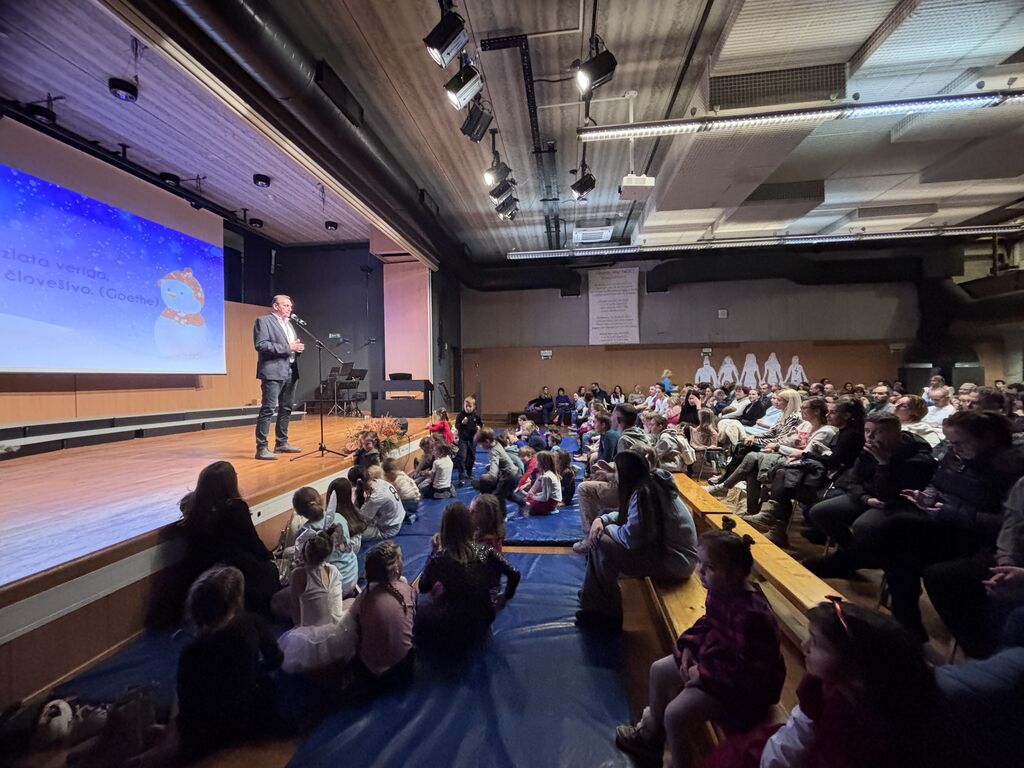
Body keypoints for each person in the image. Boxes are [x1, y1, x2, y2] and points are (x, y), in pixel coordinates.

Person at [823, 411, 1022, 641]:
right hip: (944, 520)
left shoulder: (1010, 469)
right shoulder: (956, 455)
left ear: (986, 438)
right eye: (950, 442)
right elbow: (936, 483)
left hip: (976, 536)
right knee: (897, 536)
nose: (953, 448)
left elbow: (1006, 522)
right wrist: (927, 496)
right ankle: (906, 622)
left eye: (959, 442)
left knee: (901, 537)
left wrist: (948, 511)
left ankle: (848, 565)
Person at [615, 521, 785, 768]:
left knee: (675, 715)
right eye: (700, 563)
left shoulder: (752, 616)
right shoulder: (721, 589)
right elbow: (708, 623)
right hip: (717, 661)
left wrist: (702, 673)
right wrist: (688, 648)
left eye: (710, 567)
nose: (700, 571)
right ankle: (651, 737)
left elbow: (747, 670)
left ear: (737, 573)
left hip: (745, 689)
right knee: (658, 670)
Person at [704, 599, 944, 768]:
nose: (804, 645)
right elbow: (797, 734)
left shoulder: (873, 728)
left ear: (855, 663)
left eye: (816, 643)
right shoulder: (823, 684)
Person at [576, 451, 698, 627]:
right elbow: (629, 518)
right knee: (601, 533)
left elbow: (630, 539)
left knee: (601, 540)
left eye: (616, 471)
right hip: (670, 554)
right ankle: (594, 598)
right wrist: (602, 519)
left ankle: (608, 612)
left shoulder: (644, 493)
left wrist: (607, 527)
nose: (614, 476)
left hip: (676, 563)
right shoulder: (648, 484)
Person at [176, 566, 286, 761]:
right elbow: (275, 660)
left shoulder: (191, 651)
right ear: (236, 601)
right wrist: (253, 670)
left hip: (207, 726)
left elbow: (187, 702)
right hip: (248, 716)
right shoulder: (252, 623)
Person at [743, 399, 865, 547]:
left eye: (833, 412)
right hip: (826, 473)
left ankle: (773, 523)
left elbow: (834, 461)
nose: (828, 415)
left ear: (846, 415)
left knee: (781, 477)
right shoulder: (843, 432)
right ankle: (770, 519)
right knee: (779, 474)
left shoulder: (850, 434)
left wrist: (806, 454)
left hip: (833, 481)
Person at [925, 475, 1024, 657]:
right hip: (1010, 559)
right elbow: (1011, 527)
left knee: (1013, 611)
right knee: (942, 577)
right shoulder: (1022, 485)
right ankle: (981, 654)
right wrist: (1005, 562)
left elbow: (993, 520)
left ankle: (995, 659)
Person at [804, 413, 935, 551]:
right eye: (867, 431)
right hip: (867, 495)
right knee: (818, 512)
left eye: (878, 432)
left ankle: (861, 555)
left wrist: (883, 463)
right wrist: (865, 498)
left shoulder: (917, 458)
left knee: (863, 525)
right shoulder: (871, 448)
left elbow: (888, 495)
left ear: (896, 433)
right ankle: (851, 552)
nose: (870, 436)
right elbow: (852, 480)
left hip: (895, 503)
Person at [417, 502, 521, 654]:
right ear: (469, 526)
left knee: (415, 612)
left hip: (452, 623)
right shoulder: (485, 550)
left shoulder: (440, 558)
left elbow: (423, 587)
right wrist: (505, 596)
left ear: (444, 529)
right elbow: (514, 573)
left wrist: (433, 553)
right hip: (484, 618)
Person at [179, 461, 280, 618]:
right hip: (235, 566)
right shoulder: (236, 508)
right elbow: (252, 542)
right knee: (273, 573)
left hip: (202, 568)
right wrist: (269, 557)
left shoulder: (192, 506)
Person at [277, 532, 357, 674]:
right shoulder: (334, 571)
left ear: (304, 554)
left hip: (310, 637)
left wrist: (298, 629)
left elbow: (295, 607)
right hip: (337, 631)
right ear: (327, 555)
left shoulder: (299, 574)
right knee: (351, 602)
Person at [347, 541, 416, 691]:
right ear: (396, 570)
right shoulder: (407, 591)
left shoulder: (365, 597)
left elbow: (352, 621)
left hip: (370, 674)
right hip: (402, 670)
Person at [253, 295, 303, 460]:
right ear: (275, 306)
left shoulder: (289, 324)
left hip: (290, 370)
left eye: (290, 306)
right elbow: (261, 345)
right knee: (268, 409)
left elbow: (291, 347)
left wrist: (297, 349)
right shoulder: (263, 321)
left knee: (286, 408)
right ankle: (262, 448)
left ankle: (282, 442)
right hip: (273, 371)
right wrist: (288, 347)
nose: (290, 308)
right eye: (286, 305)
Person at [349, 465, 404, 540]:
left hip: (388, 530)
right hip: (396, 520)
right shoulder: (380, 482)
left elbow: (363, 519)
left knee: (352, 533)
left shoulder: (375, 498)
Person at [473, 427, 521, 508]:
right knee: (508, 495)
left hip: (509, 476)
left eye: (481, 444)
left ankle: (502, 514)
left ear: (487, 441)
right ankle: (523, 504)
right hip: (514, 473)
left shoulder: (493, 452)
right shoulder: (496, 442)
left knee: (498, 496)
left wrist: (483, 481)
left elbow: (493, 474)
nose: (480, 446)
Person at [523, 450, 563, 516]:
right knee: (526, 501)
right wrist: (537, 495)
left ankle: (550, 509)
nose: (535, 463)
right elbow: (551, 492)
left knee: (525, 507)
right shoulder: (550, 473)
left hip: (550, 503)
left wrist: (533, 497)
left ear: (541, 463)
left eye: (536, 461)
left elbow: (545, 498)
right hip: (553, 500)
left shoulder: (546, 476)